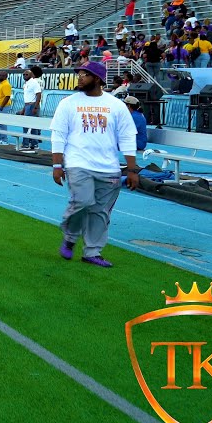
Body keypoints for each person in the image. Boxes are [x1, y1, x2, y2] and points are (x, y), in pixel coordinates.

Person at [50, 61, 140, 268]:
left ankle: (92, 252)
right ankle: (71, 236)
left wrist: (132, 169)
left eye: (85, 74)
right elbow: (58, 135)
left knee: (100, 212)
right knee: (82, 201)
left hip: (109, 167)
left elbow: (127, 137)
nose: (80, 77)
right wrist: (57, 165)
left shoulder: (115, 105)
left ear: (97, 79)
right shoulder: (68, 103)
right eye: (79, 73)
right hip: (78, 163)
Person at [19, 66, 43, 152]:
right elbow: (27, 98)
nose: (25, 75)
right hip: (27, 105)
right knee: (29, 125)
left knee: (31, 125)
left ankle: (29, 144)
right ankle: (32, 144)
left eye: (27, 74)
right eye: (24, 74)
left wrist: (36, 107)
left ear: (31, 74)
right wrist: (23, 109)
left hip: (32, 105)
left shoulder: (34, 82)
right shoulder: (26, 84)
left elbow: (38, 94)